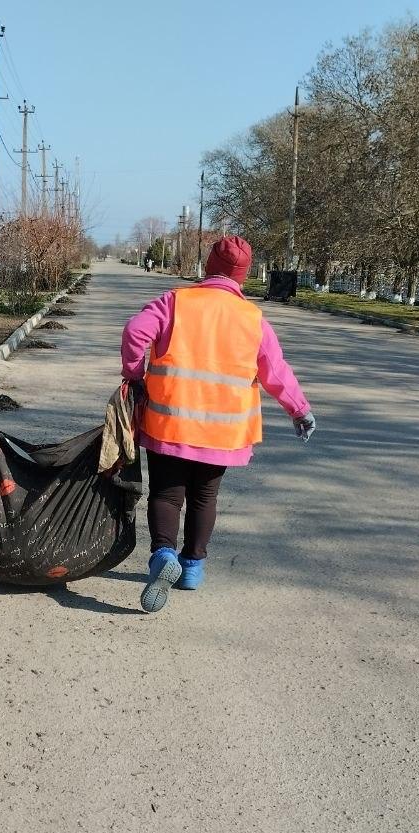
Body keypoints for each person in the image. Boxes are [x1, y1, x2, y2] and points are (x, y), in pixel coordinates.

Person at [121, 235, 316, 613]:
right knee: (204, 497)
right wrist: (299, 409)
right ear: (242, 276)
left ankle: (163, 555)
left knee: (166, 494)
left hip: (169, 422)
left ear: (209, 265)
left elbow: (134, 333)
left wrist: (134, 376)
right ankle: (192, 567)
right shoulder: (253, 319)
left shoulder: (176, 301)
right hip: (223, 431)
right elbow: (275, 370)